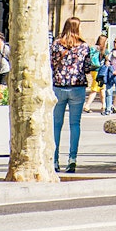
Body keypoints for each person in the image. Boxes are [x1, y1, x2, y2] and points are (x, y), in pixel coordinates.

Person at [50, 17, 91, 173]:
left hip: (59, 86)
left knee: (56, 124)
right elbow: (87, 67)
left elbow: (51, 64)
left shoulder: (55, 45)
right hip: (77, 87)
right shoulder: (84, 47)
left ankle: (54, 160)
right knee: (75, 124)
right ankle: (72, 159)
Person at [83, 34, 107, 114]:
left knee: (101, 88)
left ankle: (104, 105)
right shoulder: (103, 50)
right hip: (99, 71)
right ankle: (87, 105)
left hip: (93, 70)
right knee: (95, 89)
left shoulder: (93, 48)